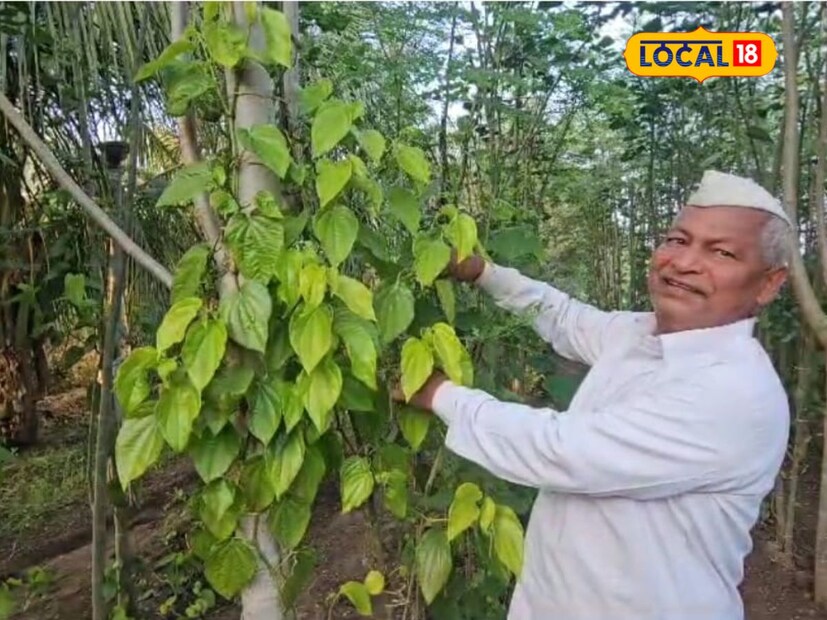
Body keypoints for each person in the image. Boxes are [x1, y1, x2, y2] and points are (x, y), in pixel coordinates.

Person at [400, 170, 793, 620]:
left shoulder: (736, 394)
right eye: (677, 240)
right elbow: (565, 317)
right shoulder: (639, 332)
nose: (684, 263)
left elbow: (561, 450)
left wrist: (438, 393)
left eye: (721, 252)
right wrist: (483, 273)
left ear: (768, 283)